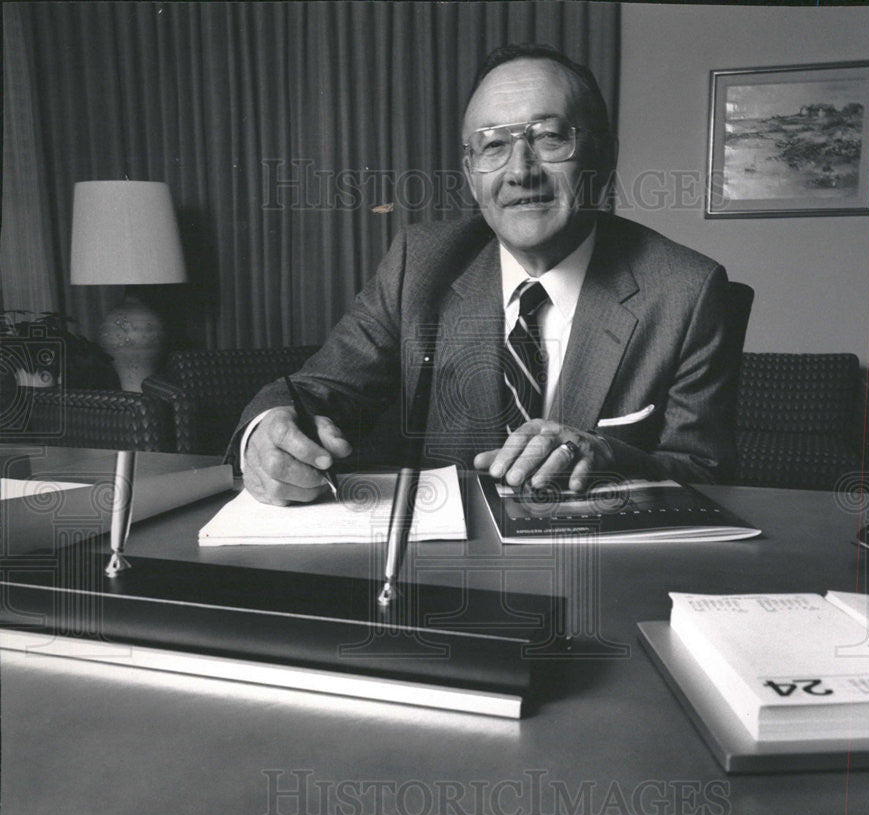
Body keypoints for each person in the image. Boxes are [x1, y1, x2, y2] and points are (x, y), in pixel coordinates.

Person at [238, 43, 740, 505]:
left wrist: (609, 459)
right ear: (470, 172)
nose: (520, 171)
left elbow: (706, 475)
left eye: (548, 137)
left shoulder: (685, 291)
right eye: (492, 145)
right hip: (441, 569)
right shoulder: (421, 262)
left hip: (600, 568)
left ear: (604, 157)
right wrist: (267, 430)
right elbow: (319, 390)